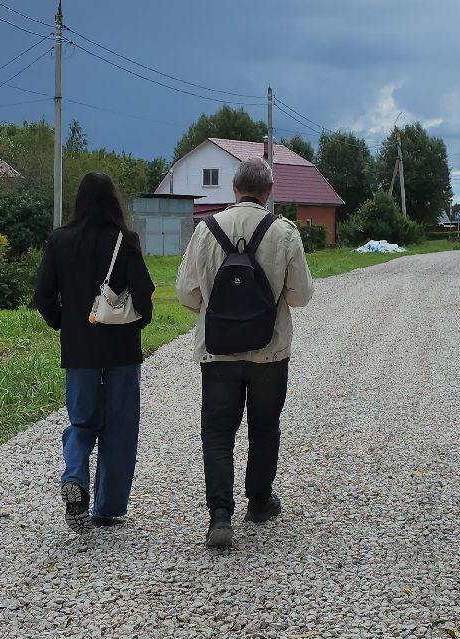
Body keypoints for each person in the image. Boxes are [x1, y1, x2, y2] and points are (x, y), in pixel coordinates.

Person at [175, 157, 313, 550]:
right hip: (270, 350)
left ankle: (220, 516)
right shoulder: (284, 232)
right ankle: (258, 502)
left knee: (217, 432)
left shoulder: (206, 230)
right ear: (268, 193)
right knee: (264, 427)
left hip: (217, 352)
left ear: (234, 187)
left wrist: (214, 312)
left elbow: (186, 293)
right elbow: (301, 296)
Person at [34, 173, 154, 532]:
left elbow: (42, 296)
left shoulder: (59, 241)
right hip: (121, 349)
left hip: (79, 349)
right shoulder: (125, 240)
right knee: (120, 427)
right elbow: (145, 295)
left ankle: (74, 477)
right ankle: (107, 508)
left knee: (82, 421)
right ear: (113, 201)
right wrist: (135, 324)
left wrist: (65, 324)